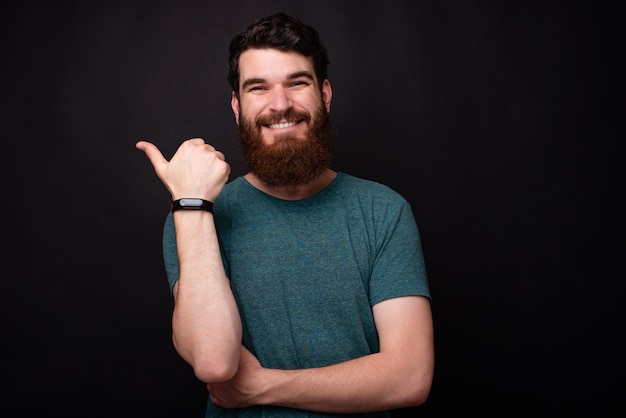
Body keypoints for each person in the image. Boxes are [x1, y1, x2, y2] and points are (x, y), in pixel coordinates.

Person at [136, 12, 434, 417]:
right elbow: (213, 361)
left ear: (324, 95)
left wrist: (263, 387)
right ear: (237, 108)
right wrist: (191, 203)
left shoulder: (383, 211)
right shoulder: (194, 218)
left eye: (297, 82)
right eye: (259, 88)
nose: (281, 104)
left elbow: (410, 377)